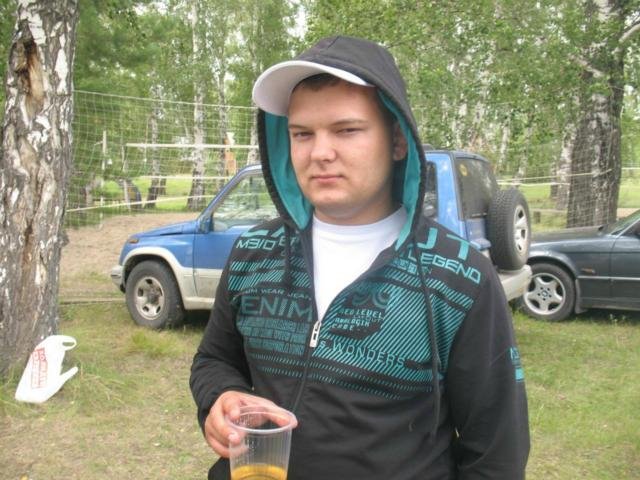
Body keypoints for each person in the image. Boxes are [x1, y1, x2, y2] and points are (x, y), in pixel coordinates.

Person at [190, 35, 530, 480]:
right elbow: (214, 360)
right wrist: (221, 397)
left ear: (397, 140)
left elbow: (497, 454)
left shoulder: (460, 277)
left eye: (347, 130)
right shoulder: (254, 252)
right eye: (302, 134)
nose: (320, 153)